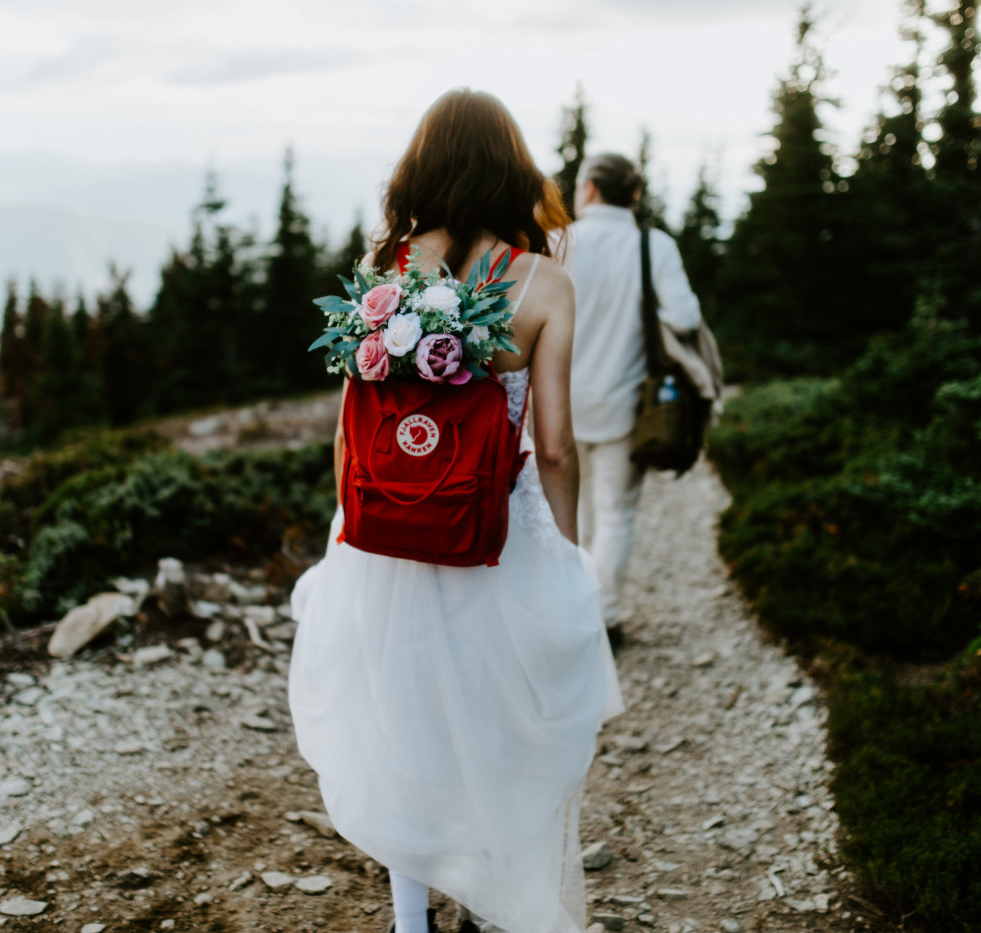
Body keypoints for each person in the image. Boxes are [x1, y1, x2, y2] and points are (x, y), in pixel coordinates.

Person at [289, 89, 624, 933]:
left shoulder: (385, 275)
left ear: (423, 166)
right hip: (492, 535)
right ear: (514, 171)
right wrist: (572, 548)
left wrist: (355, 526)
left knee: (402, 724)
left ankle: (412, 921)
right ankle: (501, 898)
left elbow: (350, 429)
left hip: (386, 537)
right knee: (505, 726)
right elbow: (553, 445)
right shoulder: (544, 283)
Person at [564, 153, 703, 639]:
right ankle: (606, 617)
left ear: (591, 190)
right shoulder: (653, 245)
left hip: (556, 405)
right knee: (615, 512)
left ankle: (567, 614)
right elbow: (685, 318)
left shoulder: (561, 241)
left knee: (567, 515)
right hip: (625, 405)